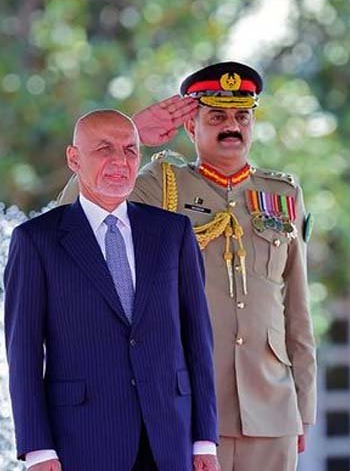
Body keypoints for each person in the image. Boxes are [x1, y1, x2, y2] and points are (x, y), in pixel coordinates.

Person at [58, 62, 316, 471]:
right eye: (216, 116)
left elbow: (297, 310)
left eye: (241, 116)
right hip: (186, 405)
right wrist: (134, 137)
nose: (231, 126)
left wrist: (304, 405)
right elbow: (75, 218)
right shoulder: (163, 184)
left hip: (271, 408)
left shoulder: (281, 195)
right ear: (191, 127)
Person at [5, 110, 220, 471]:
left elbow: (198, 339)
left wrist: (205, 440)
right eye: (104, 148)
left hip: (170, 438)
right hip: (82, 439)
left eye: (131, 150)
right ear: (74, 158)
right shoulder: (36, 241)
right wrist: (38, 451)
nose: (120, 161)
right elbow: (23, 353)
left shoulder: (173, 233)